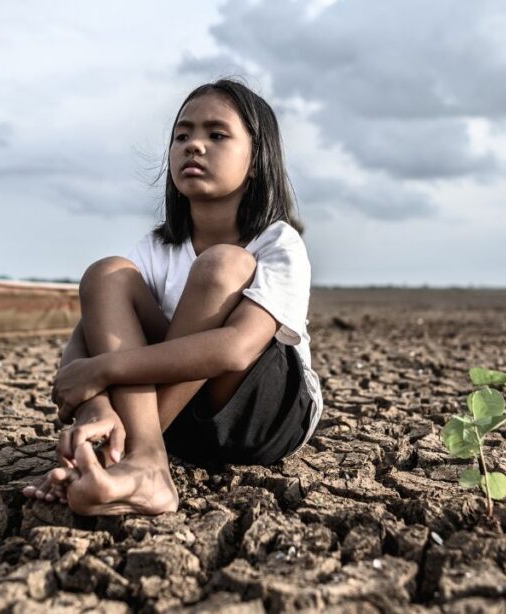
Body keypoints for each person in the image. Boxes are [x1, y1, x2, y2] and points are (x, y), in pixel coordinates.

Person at [22, 78, 323, 516]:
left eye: (216, 135)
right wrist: (94, 410)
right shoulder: (155, 248)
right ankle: (133, 464)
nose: (194, 146)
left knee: (224, 266)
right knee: (107, 275)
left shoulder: (277, 242)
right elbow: (91, 332)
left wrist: (104, 371)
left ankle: (134, 458)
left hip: (262, 416)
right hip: (175, 422)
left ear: (257, 160)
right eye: (182, 135)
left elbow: (236, 349)